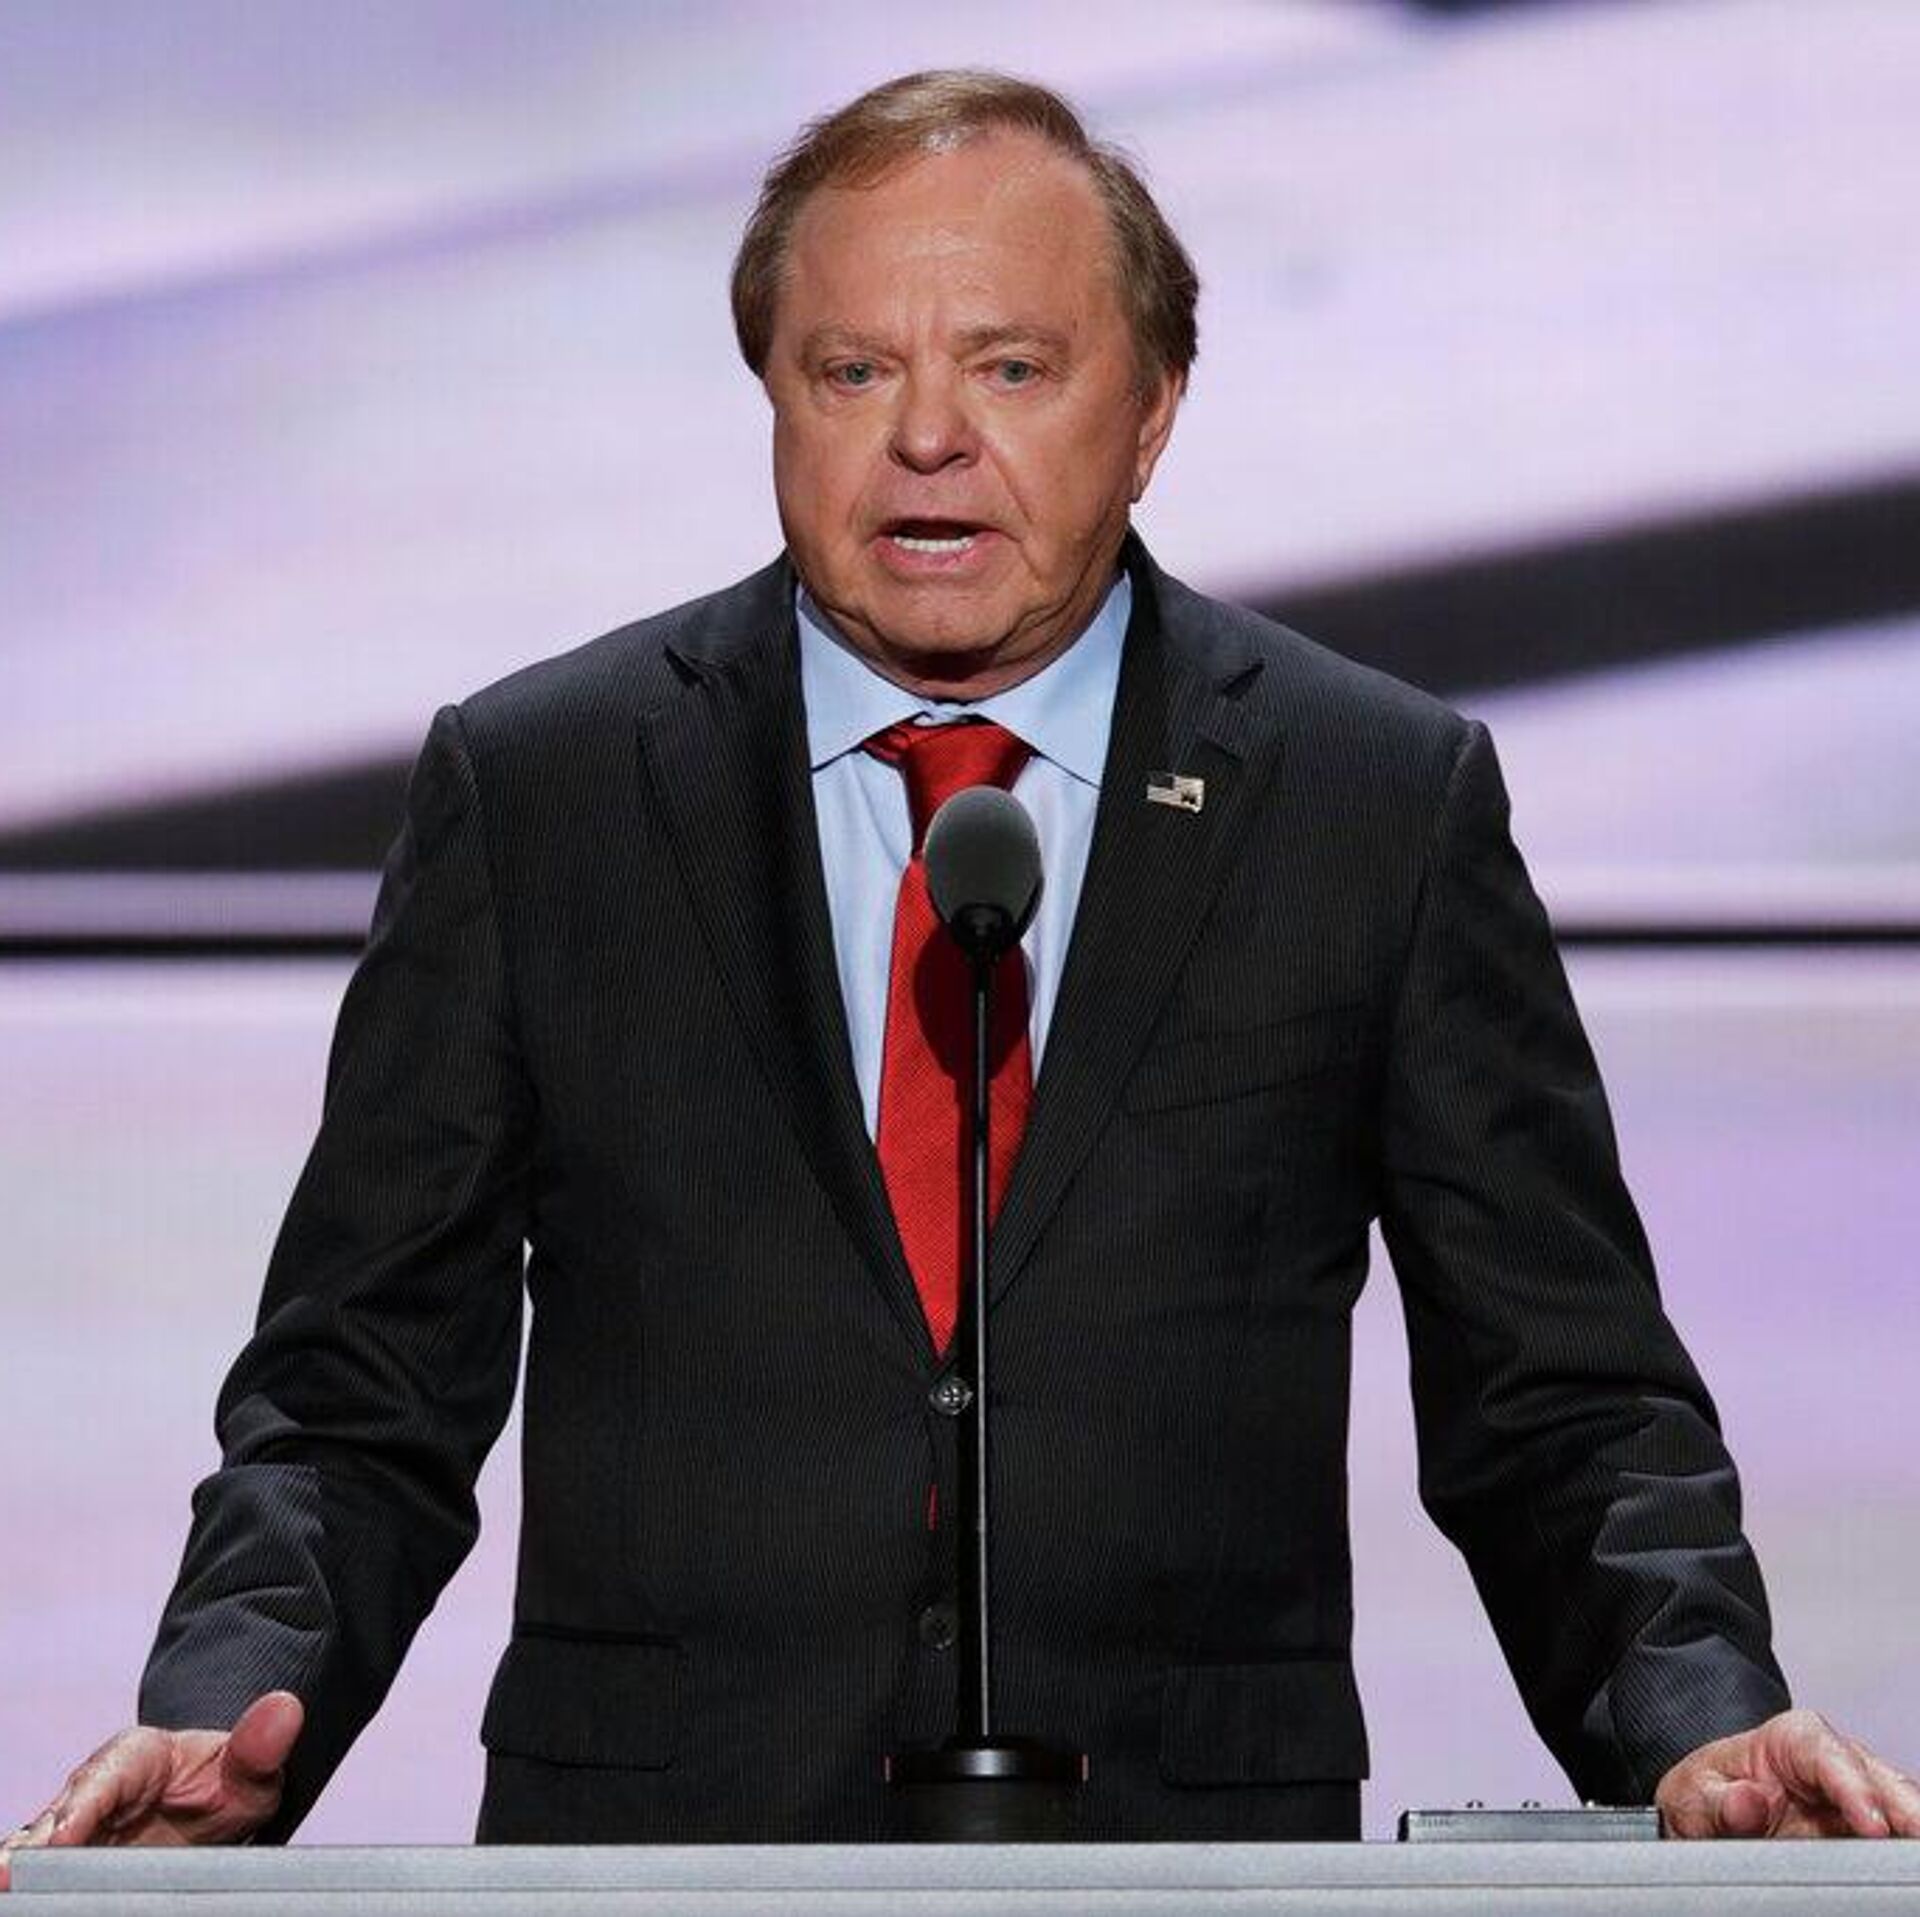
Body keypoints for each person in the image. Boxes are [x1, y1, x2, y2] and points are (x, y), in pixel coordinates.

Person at [6, 70, 1916, 1870]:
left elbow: (1559, 1397)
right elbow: (358, 1390)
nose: (928, 437)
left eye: (1011, 366)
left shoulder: (1368, 800)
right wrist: (225, 1704)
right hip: (662, 1866)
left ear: (1152, 408)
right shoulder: (546, 793)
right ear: (773, 396)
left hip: (1187, 1868)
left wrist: (1696, 1715)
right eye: (853, 370)